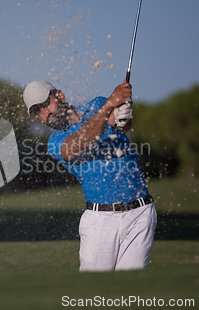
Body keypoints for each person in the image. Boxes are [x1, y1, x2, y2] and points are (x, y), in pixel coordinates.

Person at [23, 80, 156, 271]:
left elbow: (120, 124)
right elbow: (79, 143)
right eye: (38, 112)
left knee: (129, 289)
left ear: (60, 95)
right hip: (100, 221)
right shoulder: (55, 142)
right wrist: (110, 104)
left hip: (140, 214)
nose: (46, 114)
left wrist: (123, 113)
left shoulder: (96, 105)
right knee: (93, 291)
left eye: (45, 104)